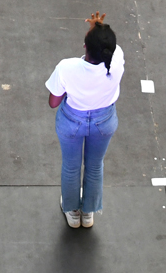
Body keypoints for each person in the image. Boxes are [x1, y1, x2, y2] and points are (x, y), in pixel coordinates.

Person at [47, 12, 124, 229]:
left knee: (71, 167)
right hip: (104, 122)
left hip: (72, 122)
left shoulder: (66, 67)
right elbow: (113, 47)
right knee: (95, 165)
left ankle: (72, 211)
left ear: (84, 46)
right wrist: (99, 28)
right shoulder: (116, 62)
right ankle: (88, 212)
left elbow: (53, 102)